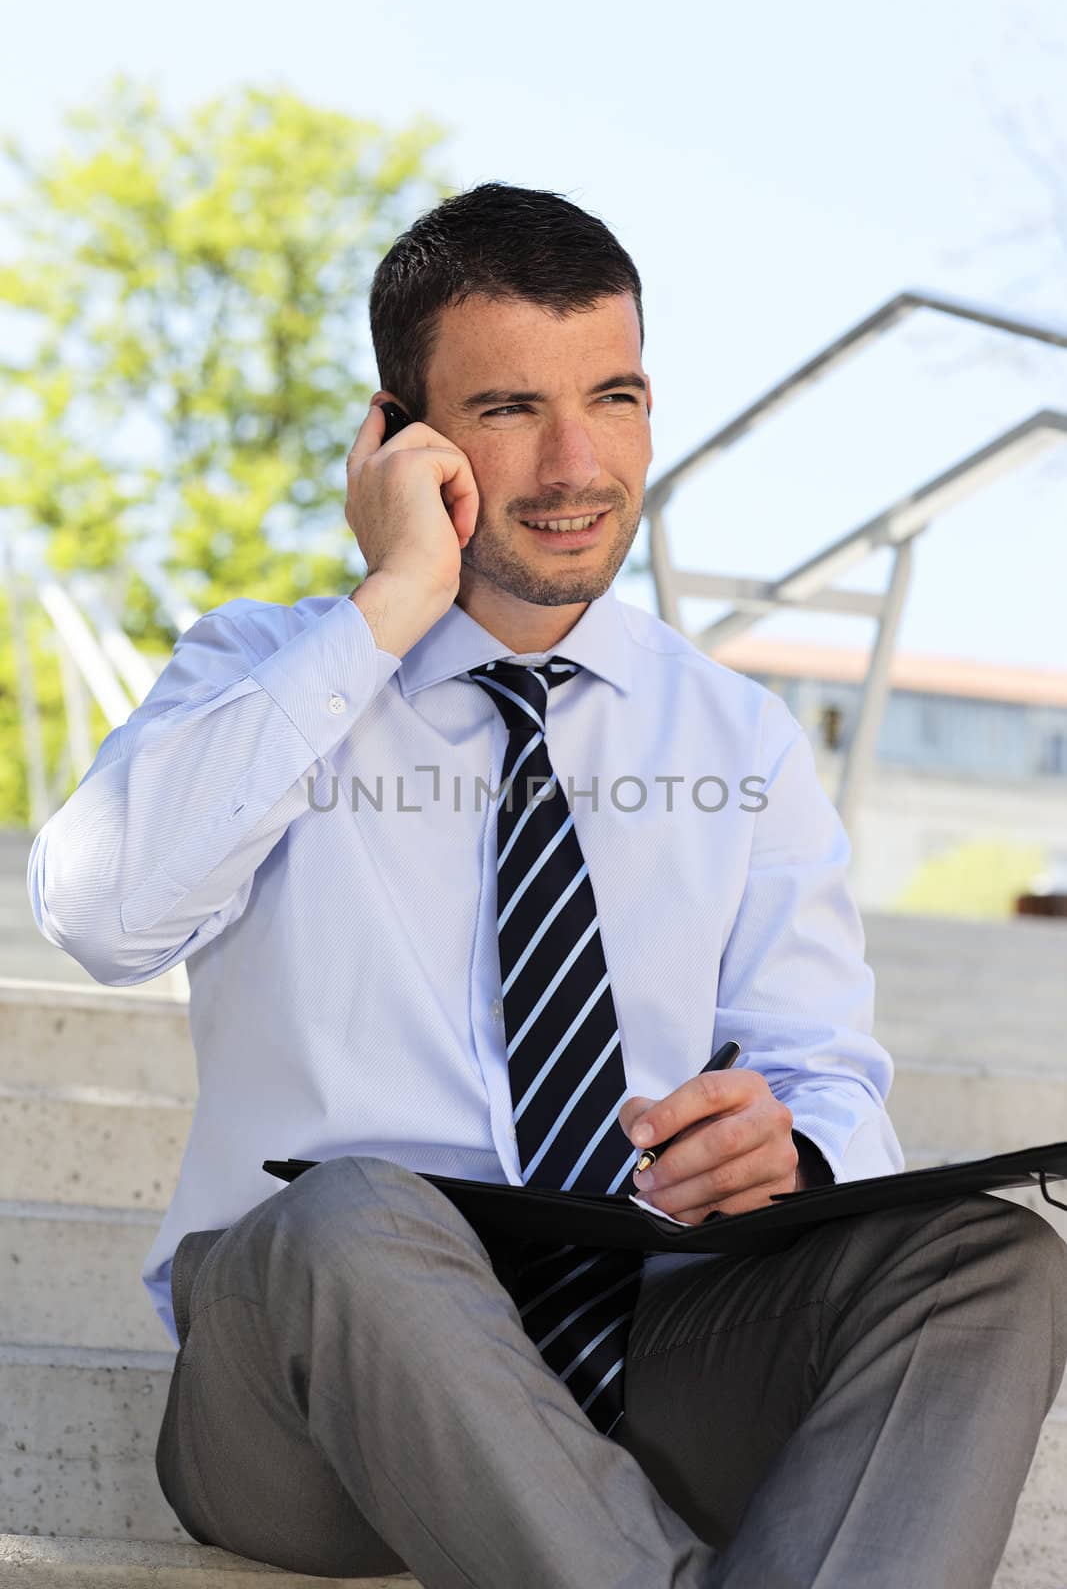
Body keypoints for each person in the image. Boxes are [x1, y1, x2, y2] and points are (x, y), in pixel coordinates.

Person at [27, 181, 1067, 1589]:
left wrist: (794, 1154)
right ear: (399, 436)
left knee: (995, 1263)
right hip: (315, 1390)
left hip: (653, 1350)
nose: (581, 464)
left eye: (617, 397)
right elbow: (99, 910)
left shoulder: (737, 739)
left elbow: (828, 1080)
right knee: (354, 1209)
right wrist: (392, 600)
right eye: (513, 408)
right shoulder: (263, 676)